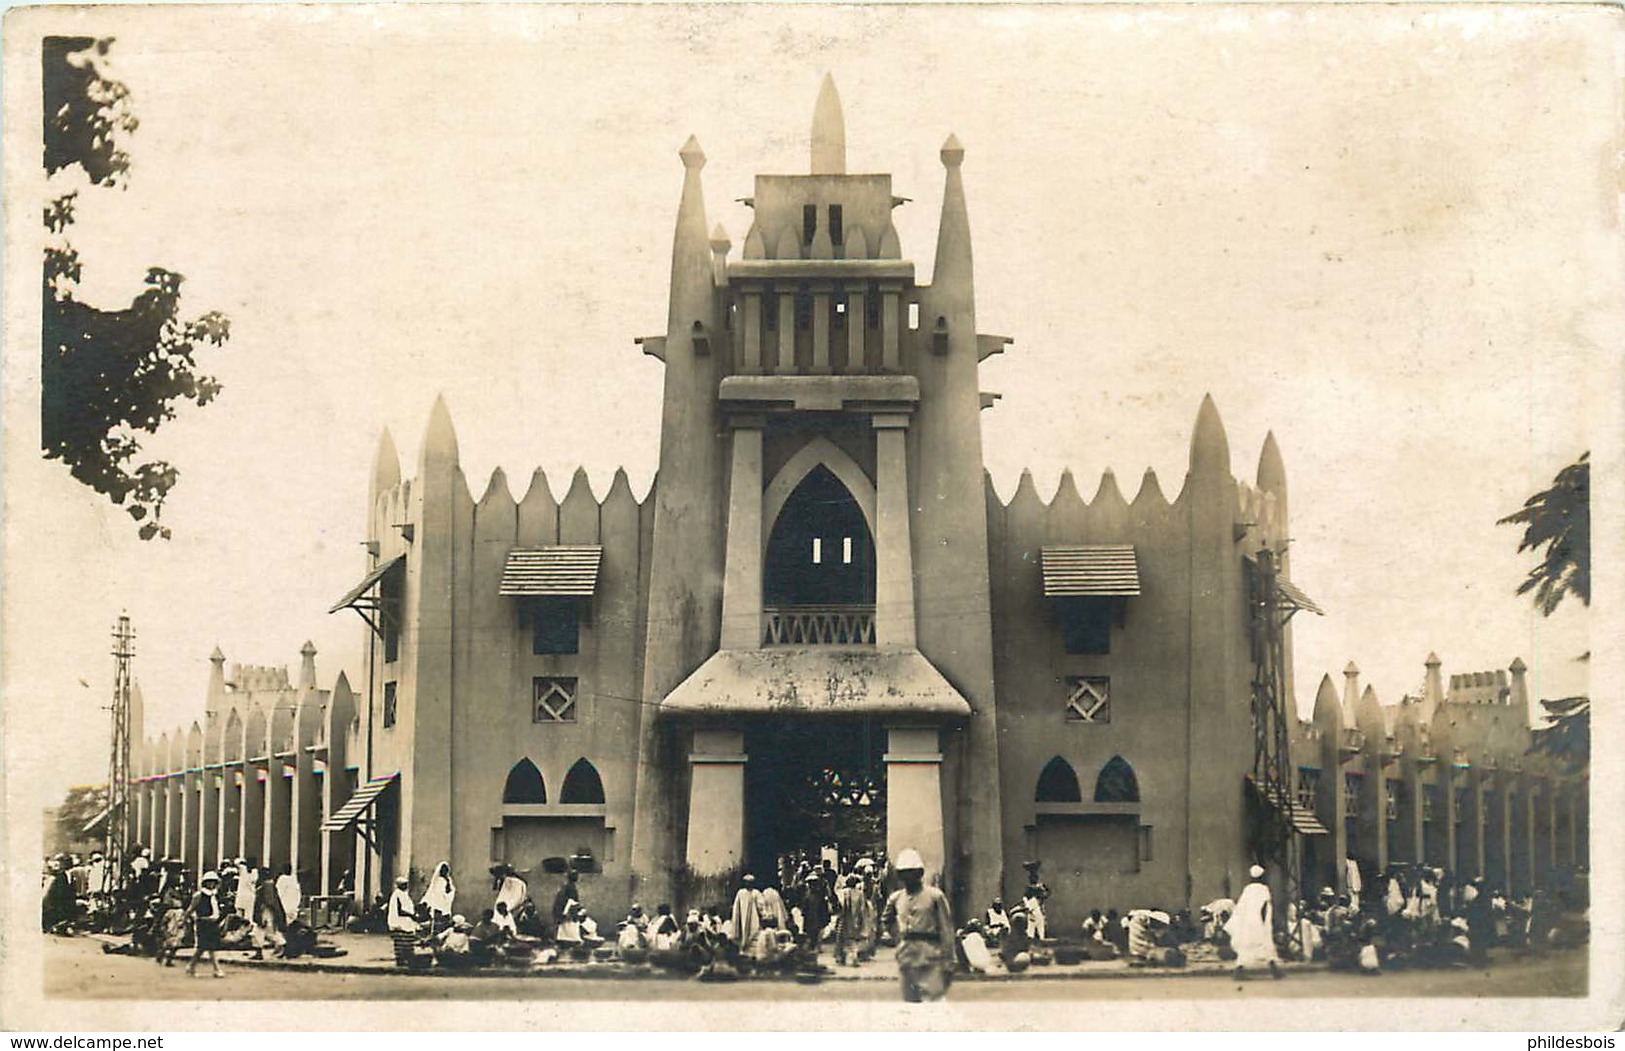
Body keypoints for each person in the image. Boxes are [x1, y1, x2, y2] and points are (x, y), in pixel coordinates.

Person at [880, 848, 955, 1003]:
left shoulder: (935, 896)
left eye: (912, 872)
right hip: (907, 958)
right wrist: (899, 938)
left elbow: (946, 929)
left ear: (919, 873)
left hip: (931, 957)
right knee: (911, 1006)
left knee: (934, 1004)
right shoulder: (896, 898)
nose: (908, 877)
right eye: (903, 873)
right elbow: (886, 920)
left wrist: (948, 961)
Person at [1225, 864, 1281, 979]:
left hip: (1248, 923)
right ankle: (1274, 970)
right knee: (1266, 945)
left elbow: (1241, 907)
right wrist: (1265, 922)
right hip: (1259, 922)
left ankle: (1274, 970)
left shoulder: (1247, 889)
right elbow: (1264, 906)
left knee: (1248, 947)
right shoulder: (1263, 889)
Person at [185, 871, 226, 979]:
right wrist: (188, 919)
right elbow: (190, 909)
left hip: (213, 923)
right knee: (208, 947)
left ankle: (191, 966)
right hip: (203, 923)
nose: (211, 884)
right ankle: (217, 969)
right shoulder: (199, 895)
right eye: (209, 882)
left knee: (203, 948)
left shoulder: (215, 895)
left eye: (213, 882)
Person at [252, 867, 288, 959]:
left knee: (265, 932)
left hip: (266, 911)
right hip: (266, 911)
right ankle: (260, 952)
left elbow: (269, 901)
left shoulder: (267, 885)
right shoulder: (267, 885)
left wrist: (262, 915)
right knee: (263, 932)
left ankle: (282, 944)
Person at [387, 875, 419, 967]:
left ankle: (407, 958)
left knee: (408, 941)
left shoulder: (404, 895)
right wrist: (411, 915)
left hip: (406, 921)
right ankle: (400, 959)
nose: (406, 886)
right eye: (404, 885)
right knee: (401, 941)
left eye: (406, 884)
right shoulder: (397, 894)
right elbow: (400, 910)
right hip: (400, 921)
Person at [729, 874, 762, 948]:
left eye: (750, 882)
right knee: (743, 932)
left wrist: (762, 914)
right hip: (742, 916)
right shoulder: (740, 892)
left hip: (753, 917)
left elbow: (760, 905)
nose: (748, 884)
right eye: (746, 882)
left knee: (753, 932)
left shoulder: (756, 893)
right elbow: (736, 906)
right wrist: (736, 917)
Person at [422, 861, 456, 931]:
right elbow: (437, 894)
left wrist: (449, 894)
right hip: (439, 904)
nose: (445, 872)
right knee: (438, 923)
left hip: (446, 903)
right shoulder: (439, 881)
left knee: (444, 922)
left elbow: (451, 890)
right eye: (443, 870)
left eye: (446, 870)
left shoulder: (448, 880)